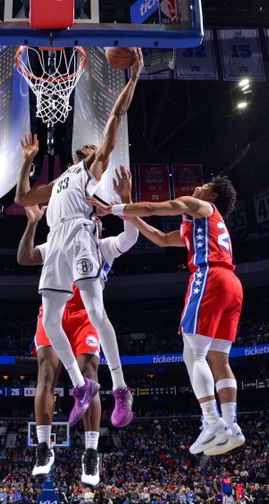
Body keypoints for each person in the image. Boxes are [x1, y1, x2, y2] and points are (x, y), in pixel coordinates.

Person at [14, 48, 145, 435]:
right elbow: (22, 199)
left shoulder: (92, 169)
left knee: (95, 311)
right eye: (87, 148)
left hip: (81, 235)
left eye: (95, 150)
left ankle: (120, 389)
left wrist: (133, 77)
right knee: (50, 320)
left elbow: (116, 117)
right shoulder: (59, 182)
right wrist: (27, 160)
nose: (92, 148)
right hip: (56, 240)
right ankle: (81, 385)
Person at [88, 171, 244, 456]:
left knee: (192, 354)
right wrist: (127, 206)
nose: (198, 185)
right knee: (219, 358)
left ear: (213, 196)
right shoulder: (202, 225)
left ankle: (212, 421)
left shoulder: (202, 207)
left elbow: (155, 208)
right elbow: (159, 238)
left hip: (210, 275)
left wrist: (114, 208)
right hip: (233, 285)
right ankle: (231, 424)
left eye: (205, 185)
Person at [17, 175, 139, 485]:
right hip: (55, 314)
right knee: (46, 373)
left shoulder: (103, 247)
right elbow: (25, 257)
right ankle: (44, 448)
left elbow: (130, 238)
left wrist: (125, 203)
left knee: (90, 375)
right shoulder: (59, 239)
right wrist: (32, 223)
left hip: (85, 317)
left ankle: (91, 453)